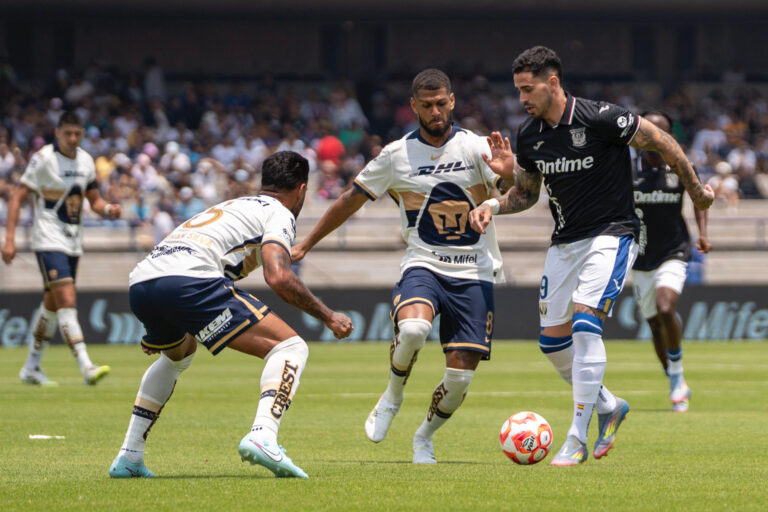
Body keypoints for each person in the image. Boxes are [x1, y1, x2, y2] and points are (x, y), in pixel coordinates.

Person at [469, 46, 714, 466]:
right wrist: (493, 204)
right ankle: (608, 405)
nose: (522, 99)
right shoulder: (529, 136)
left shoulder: (601, 118)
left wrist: (696, 192)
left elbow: (665, 143)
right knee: (552, 343)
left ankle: (576, 439)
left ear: (552, 82)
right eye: (518, 91)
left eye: (528, 89)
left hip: (613, 233)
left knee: (585, 323)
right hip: (565, 243)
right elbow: (526, 195)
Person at [292, 69, 513, 464]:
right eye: (426, 105)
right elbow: (349, 200)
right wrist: (307, 242)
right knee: (413, 328)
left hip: (475, 269)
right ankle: (392, 395)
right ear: (413, 106)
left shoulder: (478, 147)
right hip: (423, 263)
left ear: (452, 101)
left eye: (441, 103)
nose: (435, 111)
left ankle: (424, 436)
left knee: (460, 378)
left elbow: (517, 194)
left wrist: (510, 173)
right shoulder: (396, 155)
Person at [108, 151, 353, 479]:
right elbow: (278, 277)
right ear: (301, 189)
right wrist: (328, 316)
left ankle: (129, 456)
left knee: (178, 356)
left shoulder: (232, 206)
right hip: (188, 280)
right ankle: (263, 435)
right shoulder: (279, 213)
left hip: (143, 282)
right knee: (290, 347)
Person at [2, 111, 121, 386]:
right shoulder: (44, 159)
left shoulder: (86, 161)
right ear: (58, 132)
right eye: (67, 133)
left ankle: (31, 366)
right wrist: (9, 239)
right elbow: (18, 197)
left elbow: (94, 201)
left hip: (73, 242)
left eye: (77, 134)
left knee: (52, 306)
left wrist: (109, 209)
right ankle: (86, 366)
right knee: (67, 298)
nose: (72, 138)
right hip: (48, 239)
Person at [630, 111, 711, 413]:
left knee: (666, 309)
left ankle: (677, 379)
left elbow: (699, 196)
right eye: (648, 131)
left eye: (661, 132)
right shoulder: (626, 170)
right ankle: (673, 376)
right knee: (653, 325)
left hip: (674, 251)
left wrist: (702, 234)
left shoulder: (678, 166)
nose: (654, 137)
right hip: (639, 257)